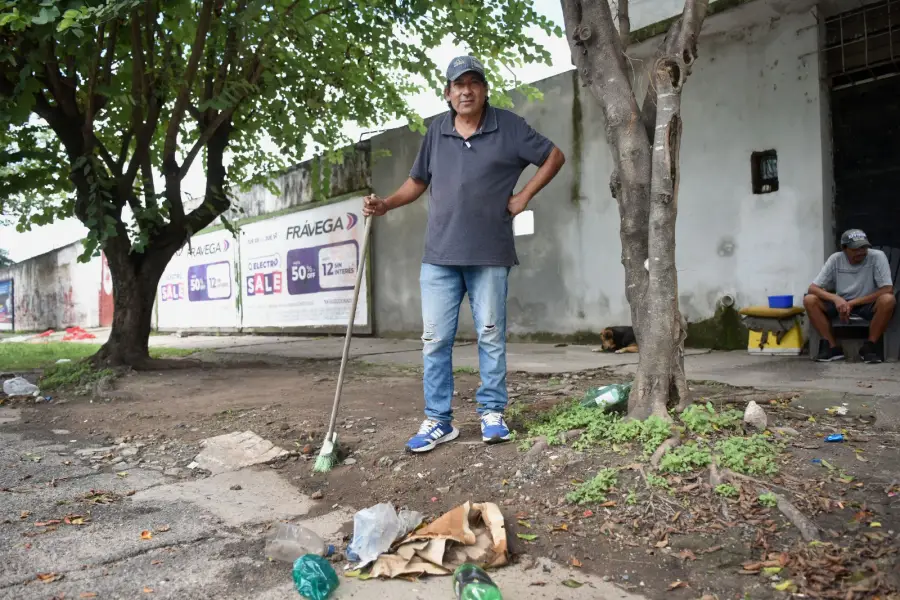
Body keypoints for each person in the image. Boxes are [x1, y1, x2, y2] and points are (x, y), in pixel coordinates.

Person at [362, 56, 565, 453]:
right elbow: (417, 181)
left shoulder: (508, 126)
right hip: (439, 255)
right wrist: (387, 204)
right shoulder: (437, 130)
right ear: (448, 93)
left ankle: (492, 413)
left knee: (490, 335)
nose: (466, 91)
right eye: (458, 85)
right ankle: (439, 421)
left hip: (489, 252)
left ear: (485, 89)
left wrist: (523, 196)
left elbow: (553, 155)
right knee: (435, 339)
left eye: (474, 83)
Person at [804, 229, 896, 363]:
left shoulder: (877, 256)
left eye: (864, 247)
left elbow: (887, 289)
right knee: (809, 300)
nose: (861, 252)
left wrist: (851, 303)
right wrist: (836, 299)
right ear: (844, 248)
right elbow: (813, 288)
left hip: (867, 302)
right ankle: (832, 347)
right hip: (841, 301)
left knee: (888, 300)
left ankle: (870, 346)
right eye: (856, 249)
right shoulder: (836, 259)